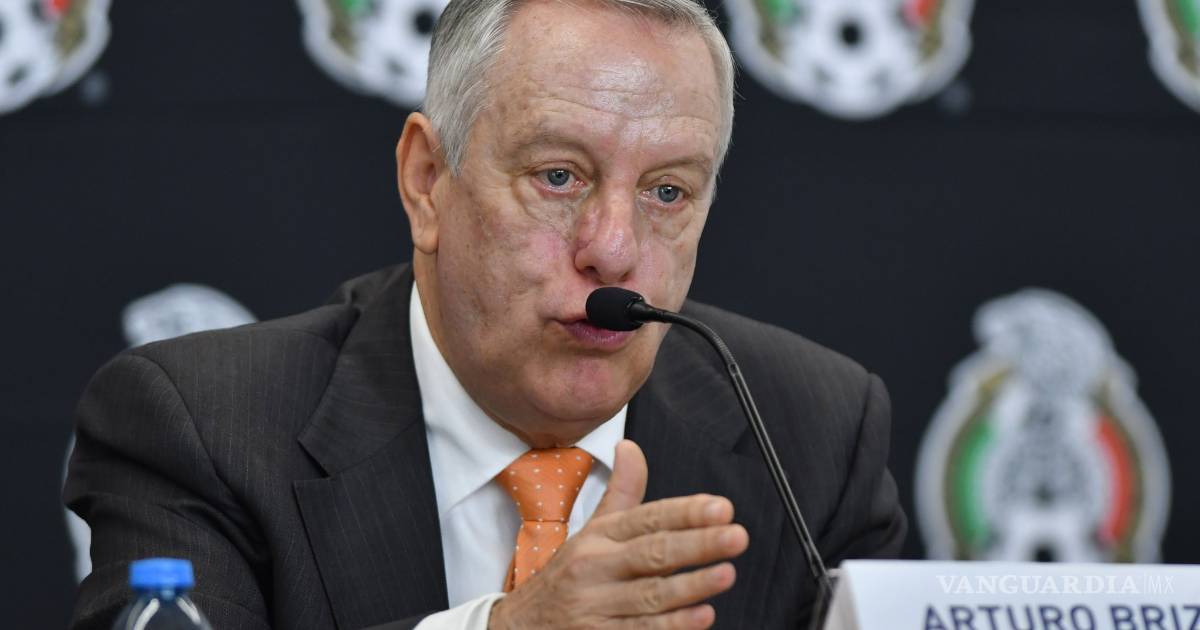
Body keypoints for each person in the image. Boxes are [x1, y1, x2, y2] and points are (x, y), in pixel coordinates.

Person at [64, 0, 906, 627]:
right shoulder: (204, 428)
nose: (613, 250)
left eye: (666, 192)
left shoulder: (811, 431)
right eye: (559, 177)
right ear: (427, 181)